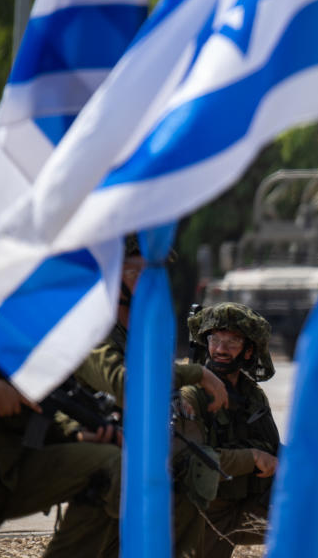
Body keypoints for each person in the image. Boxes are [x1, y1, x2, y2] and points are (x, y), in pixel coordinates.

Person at [0, 193, 121, 558]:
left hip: (8, 471)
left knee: (112, 468)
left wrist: (76, 432)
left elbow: (40, 397)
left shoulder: (12, 318)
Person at [63, 235, 231, 558]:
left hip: (138, 448)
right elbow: (127, 386)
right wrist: (195, 373)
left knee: (198, 470)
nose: (148, 281)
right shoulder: (93, 329)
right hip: (95, 447)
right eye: (134, 272)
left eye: (151, 272)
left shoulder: (144, 328)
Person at [177, 302, 280, 558]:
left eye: (232, 341)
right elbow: (187, 464)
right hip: (205, 514)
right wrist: (251, 458)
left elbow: (271, 446)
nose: (221, 349)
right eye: (214, 339)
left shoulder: (251, 395)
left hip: (246, 504)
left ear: (248, 351)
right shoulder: (191, 395)